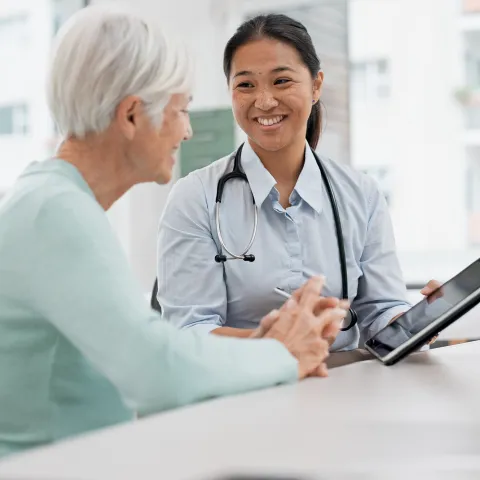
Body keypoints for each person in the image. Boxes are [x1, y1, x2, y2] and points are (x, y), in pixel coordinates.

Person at [0, 6, 347, 459]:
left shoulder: (51, 201)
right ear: (130, 116)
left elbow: (147, 345)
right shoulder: (54, 213)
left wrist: (266, 344)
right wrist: (284, 353)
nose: (186, 132)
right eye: (180, 110)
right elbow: (155, 371)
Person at [156, 14, 438, 350]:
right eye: (246, 85)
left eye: (282, 81)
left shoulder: (361, 194)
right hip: (240, 393)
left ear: (316, 85)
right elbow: (188, 331)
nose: (264, 101)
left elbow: (382, 312)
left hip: (341, 390)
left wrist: (418, 322)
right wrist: (278, 344)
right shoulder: (194, 199)